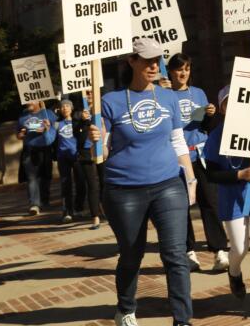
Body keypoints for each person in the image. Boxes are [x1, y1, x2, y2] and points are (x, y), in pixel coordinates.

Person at [89, 36, 196, 326]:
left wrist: (191, 177)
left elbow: (178, 142)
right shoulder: (109, 102)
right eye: (147, 60)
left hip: (168, 185)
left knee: (175, 254)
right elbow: (103, 152)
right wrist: (96, 139)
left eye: (157, 59)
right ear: (132, 62)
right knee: (131, 254)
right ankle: (125, 308)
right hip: (124, 191)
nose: (154, 65)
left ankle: (183, 320)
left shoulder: (169, 97)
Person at [203, 86, 250, 320]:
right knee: (238, 248)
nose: (233, 106)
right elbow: (212, 175)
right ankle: (234, 272)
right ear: (222, 108)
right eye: (227, 103)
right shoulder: (216, 136)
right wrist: (239, 175)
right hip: (232, 201)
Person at [166, 52, 230, 273]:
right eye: (178, 69)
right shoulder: (164, 96)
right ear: (170, 72)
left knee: (210, 202)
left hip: (202, 156)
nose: (183, 73)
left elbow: (205, 126)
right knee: (182, 206)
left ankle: (220, 250)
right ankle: (188, 251)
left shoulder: (199, 93)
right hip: (178, 158)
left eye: (187, 69)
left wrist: (210, 114)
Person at [16, 100, 56, 215]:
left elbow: (56, 129)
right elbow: (18, 134)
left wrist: (47, 129)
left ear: (39, 101)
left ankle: (45, 200)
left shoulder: (48, 113)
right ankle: (34, 204)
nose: (28, 103)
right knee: (31, 178)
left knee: (46, 177)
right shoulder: (23, 116)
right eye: (27, 101)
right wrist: (21, 134)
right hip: (30, 150)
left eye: (31, 101)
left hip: (45, 149)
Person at [73, 93, 103, 229]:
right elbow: (75, 133)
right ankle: (95, 217)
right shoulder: (78, 114)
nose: (89, 95)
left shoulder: (103, 109)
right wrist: (83, 121)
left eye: (91, 92)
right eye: (86, 93)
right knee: (92, 185)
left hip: (103, 150)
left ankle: (105, 209)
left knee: (105, 182)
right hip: (86, 152)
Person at [54, 99, 81, 222]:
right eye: (62, 106)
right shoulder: (56, 124)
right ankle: (67, 212)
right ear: (60, 109)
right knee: (66, 184)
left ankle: (78, 208)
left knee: (80, 182)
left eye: (67, 106)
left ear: (71, 108)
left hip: (77, 156)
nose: (65, 108)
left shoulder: (77, 122)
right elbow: (45, 131)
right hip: (62, 157)